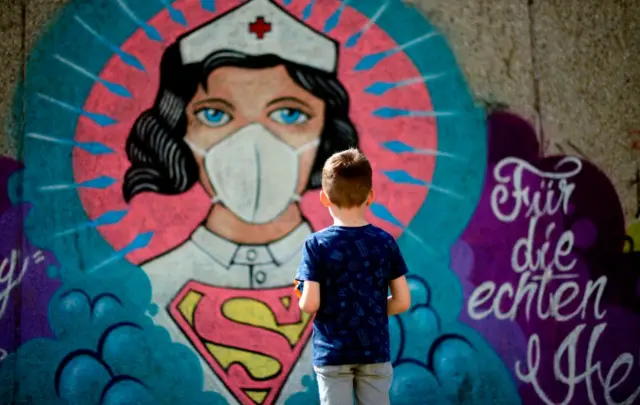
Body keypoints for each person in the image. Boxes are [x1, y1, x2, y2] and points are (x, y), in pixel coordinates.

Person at [121, 0, 358, 403]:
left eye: (288, 113)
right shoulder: (145, 292)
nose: (254, 144)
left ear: (327, 136)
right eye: (215, 114)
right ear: (179, 132)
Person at [294, 148, 412, 405]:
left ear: (324, 198)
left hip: (332, 354)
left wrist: (302, 293)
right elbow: (402, 301)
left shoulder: (316, 245)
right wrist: (370, 311)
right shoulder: (384, 241)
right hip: (374, 354)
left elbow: (310, 304)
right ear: (370, 197)